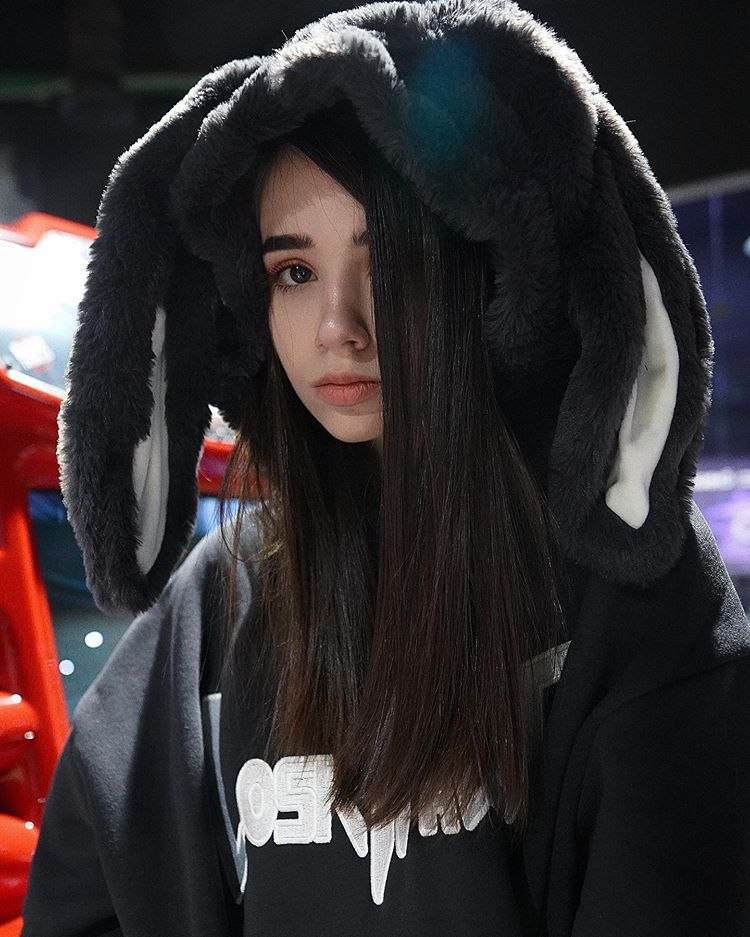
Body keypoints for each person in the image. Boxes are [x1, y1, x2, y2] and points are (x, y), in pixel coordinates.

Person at [21, 1, 750, 935]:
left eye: (388, 264)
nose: (338, 326)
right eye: (293, 272)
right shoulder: (221, 599)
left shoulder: (631, 601)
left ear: (487, 276)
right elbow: (84, 892)